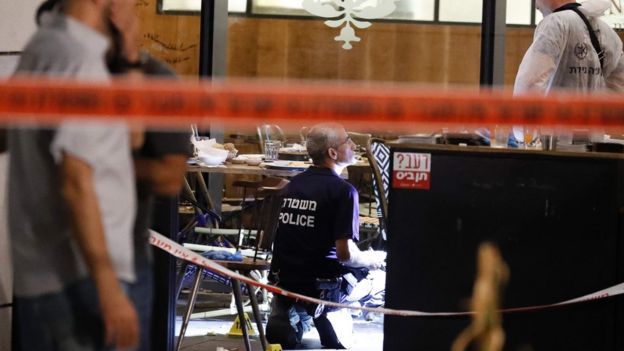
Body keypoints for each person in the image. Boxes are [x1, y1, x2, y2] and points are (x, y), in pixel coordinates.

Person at [9, 0, 139, 349]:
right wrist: (108, 288)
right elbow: (76, 182)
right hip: (78, 282)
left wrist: (128, 55)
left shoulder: (44, 46)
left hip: (44, 274)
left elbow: (133, 136)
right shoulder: (79, 62)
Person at [107, 1, 191, 350]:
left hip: (119, 262)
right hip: (43, 265)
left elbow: (170, 179)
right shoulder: (55, 65)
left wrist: (85, 163)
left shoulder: (156, 79)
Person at [266, 123, 386, 349]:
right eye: (348, 140)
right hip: (323, 284)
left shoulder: (294, 184)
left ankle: (293, 310)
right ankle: (326, 314)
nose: (353, 144)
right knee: (382, 280)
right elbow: (345, 255)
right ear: (332, 153)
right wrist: (375, 258)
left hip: (285, 278)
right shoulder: (344, 191)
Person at [514, 0, 624, 93]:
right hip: (593, 117)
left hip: (559, 116)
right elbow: (620, 85)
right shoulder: (607, 32)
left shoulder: (554, 24)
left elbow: (528, 85)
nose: (537, 6)